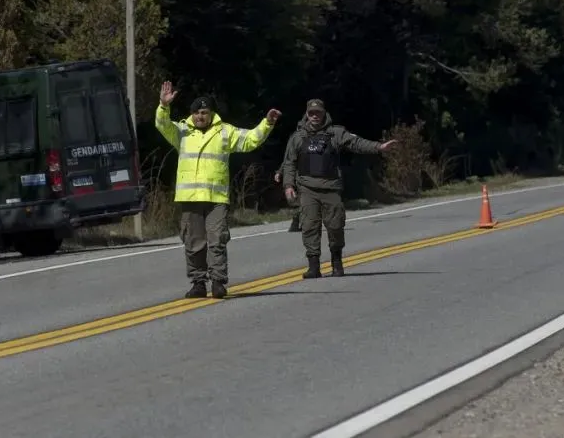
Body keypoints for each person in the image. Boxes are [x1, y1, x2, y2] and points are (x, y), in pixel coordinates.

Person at [154, 81, 281, 299]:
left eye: (203, 112)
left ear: (211, 113)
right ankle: (198, 283)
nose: (199, 116)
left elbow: (250, 140)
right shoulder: (182, 132)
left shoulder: (225, 132)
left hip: (216, 199)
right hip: (190, 199)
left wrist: (267, 123)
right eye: (196, 112)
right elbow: (162, 124)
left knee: (216, 241)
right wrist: (164, 106)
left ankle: (218, 282)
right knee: (193, 243)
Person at [280, 99, 396, 279]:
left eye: (318, 113)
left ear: (324, 113)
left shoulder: (336, 133)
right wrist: (288, 185)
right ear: (306, 114)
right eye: (311, 113)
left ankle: (336, 262)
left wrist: (378, 147)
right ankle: (313, 266)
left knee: (335, 227)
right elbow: (289, 163)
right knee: (309, 227)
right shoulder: (297, 137)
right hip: (307, 188)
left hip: (331, 188)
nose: (315, 116)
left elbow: (356, 143)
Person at [274, 116, 306, 233]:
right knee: (303, 200)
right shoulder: (296, 139)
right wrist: (280, 171)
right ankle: (297, 222)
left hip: (302, 174)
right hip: (298, 174)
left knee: (303, 200)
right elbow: (289, 159)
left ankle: (299, 222)